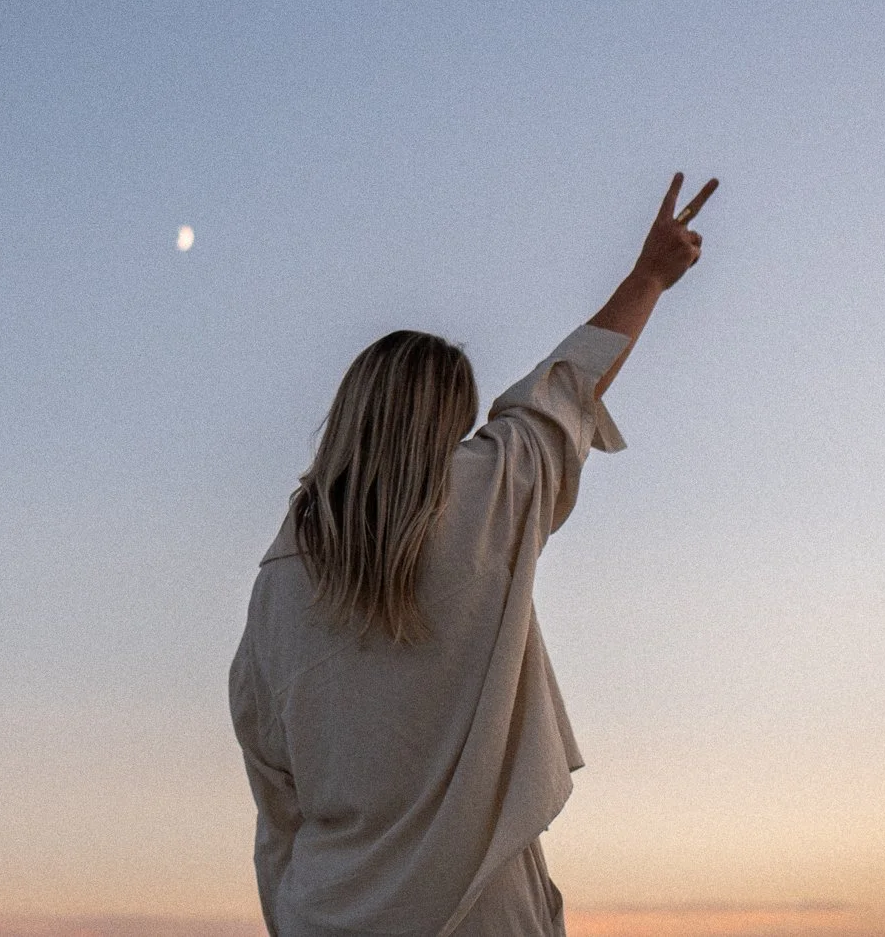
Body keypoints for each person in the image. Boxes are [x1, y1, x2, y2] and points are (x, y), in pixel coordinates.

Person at [229, 173, 718, 937]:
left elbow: (274, 785)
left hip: (329, 912)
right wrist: (650, 275)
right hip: (484, 911)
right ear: (448, 423)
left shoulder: (278, 578)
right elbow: (567, 387)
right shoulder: (486, 495)